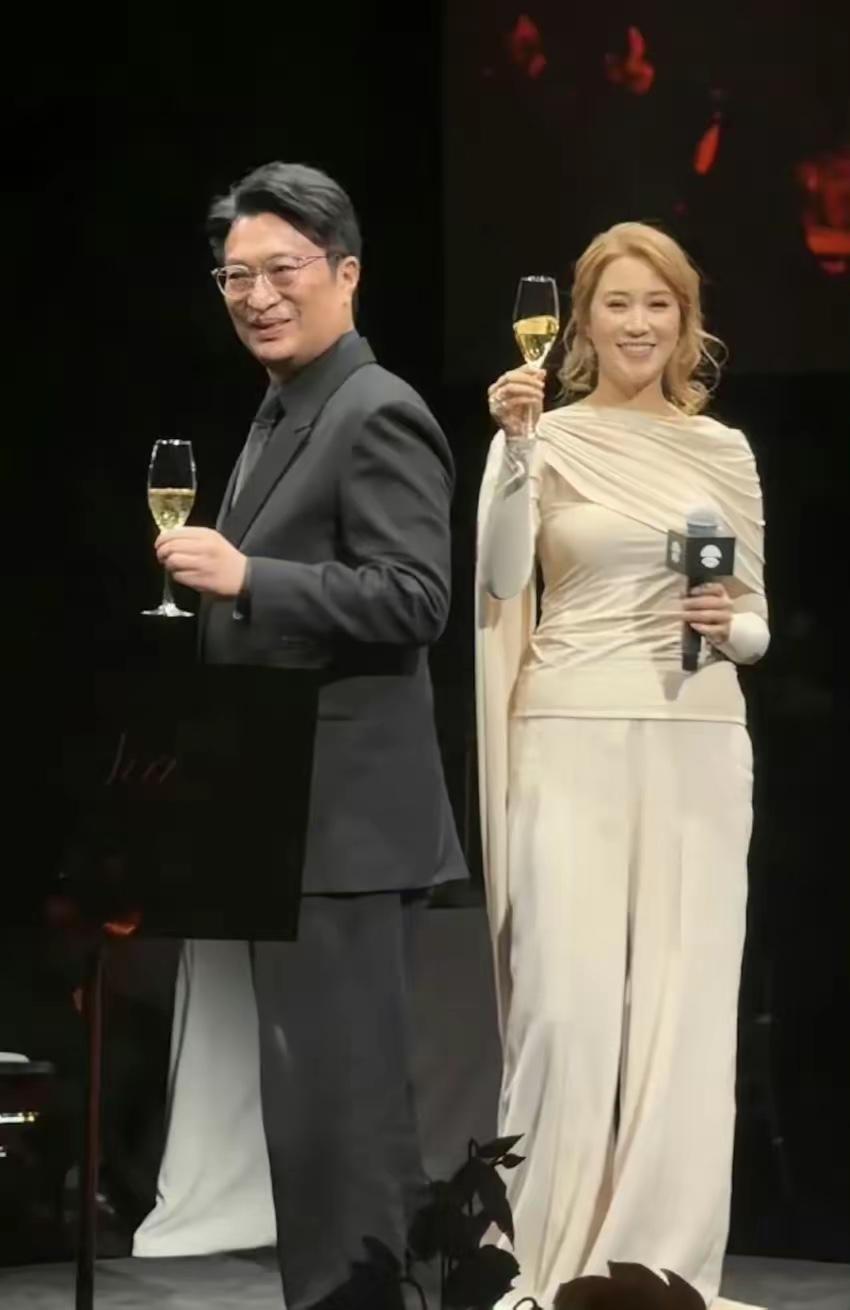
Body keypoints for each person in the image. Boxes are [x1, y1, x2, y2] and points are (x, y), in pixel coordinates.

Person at [146, 161, 465, 1309]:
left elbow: (416, 596)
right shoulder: (289, 404)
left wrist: (250, 577)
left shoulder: (374, 408)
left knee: (348, 1116)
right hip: (286, 816)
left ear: (346, 272)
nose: (258, 296)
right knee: (311, 1120)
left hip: (347, 824)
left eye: (281, 269)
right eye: (236, 276)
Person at [476, 222, 769, 1308]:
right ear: (582, 325)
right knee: (564, 1003)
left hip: (697, 736)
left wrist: (733, 624)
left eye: (658, 304)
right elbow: (500, 578)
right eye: (617, 303)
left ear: (684, 321)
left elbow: (756, 621)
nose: (639, 323)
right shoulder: (543, 436)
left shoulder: (723, 451)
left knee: (684, 1009)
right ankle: (537, 1259)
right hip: (570, 728)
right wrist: (514, 452)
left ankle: (658, 1266)